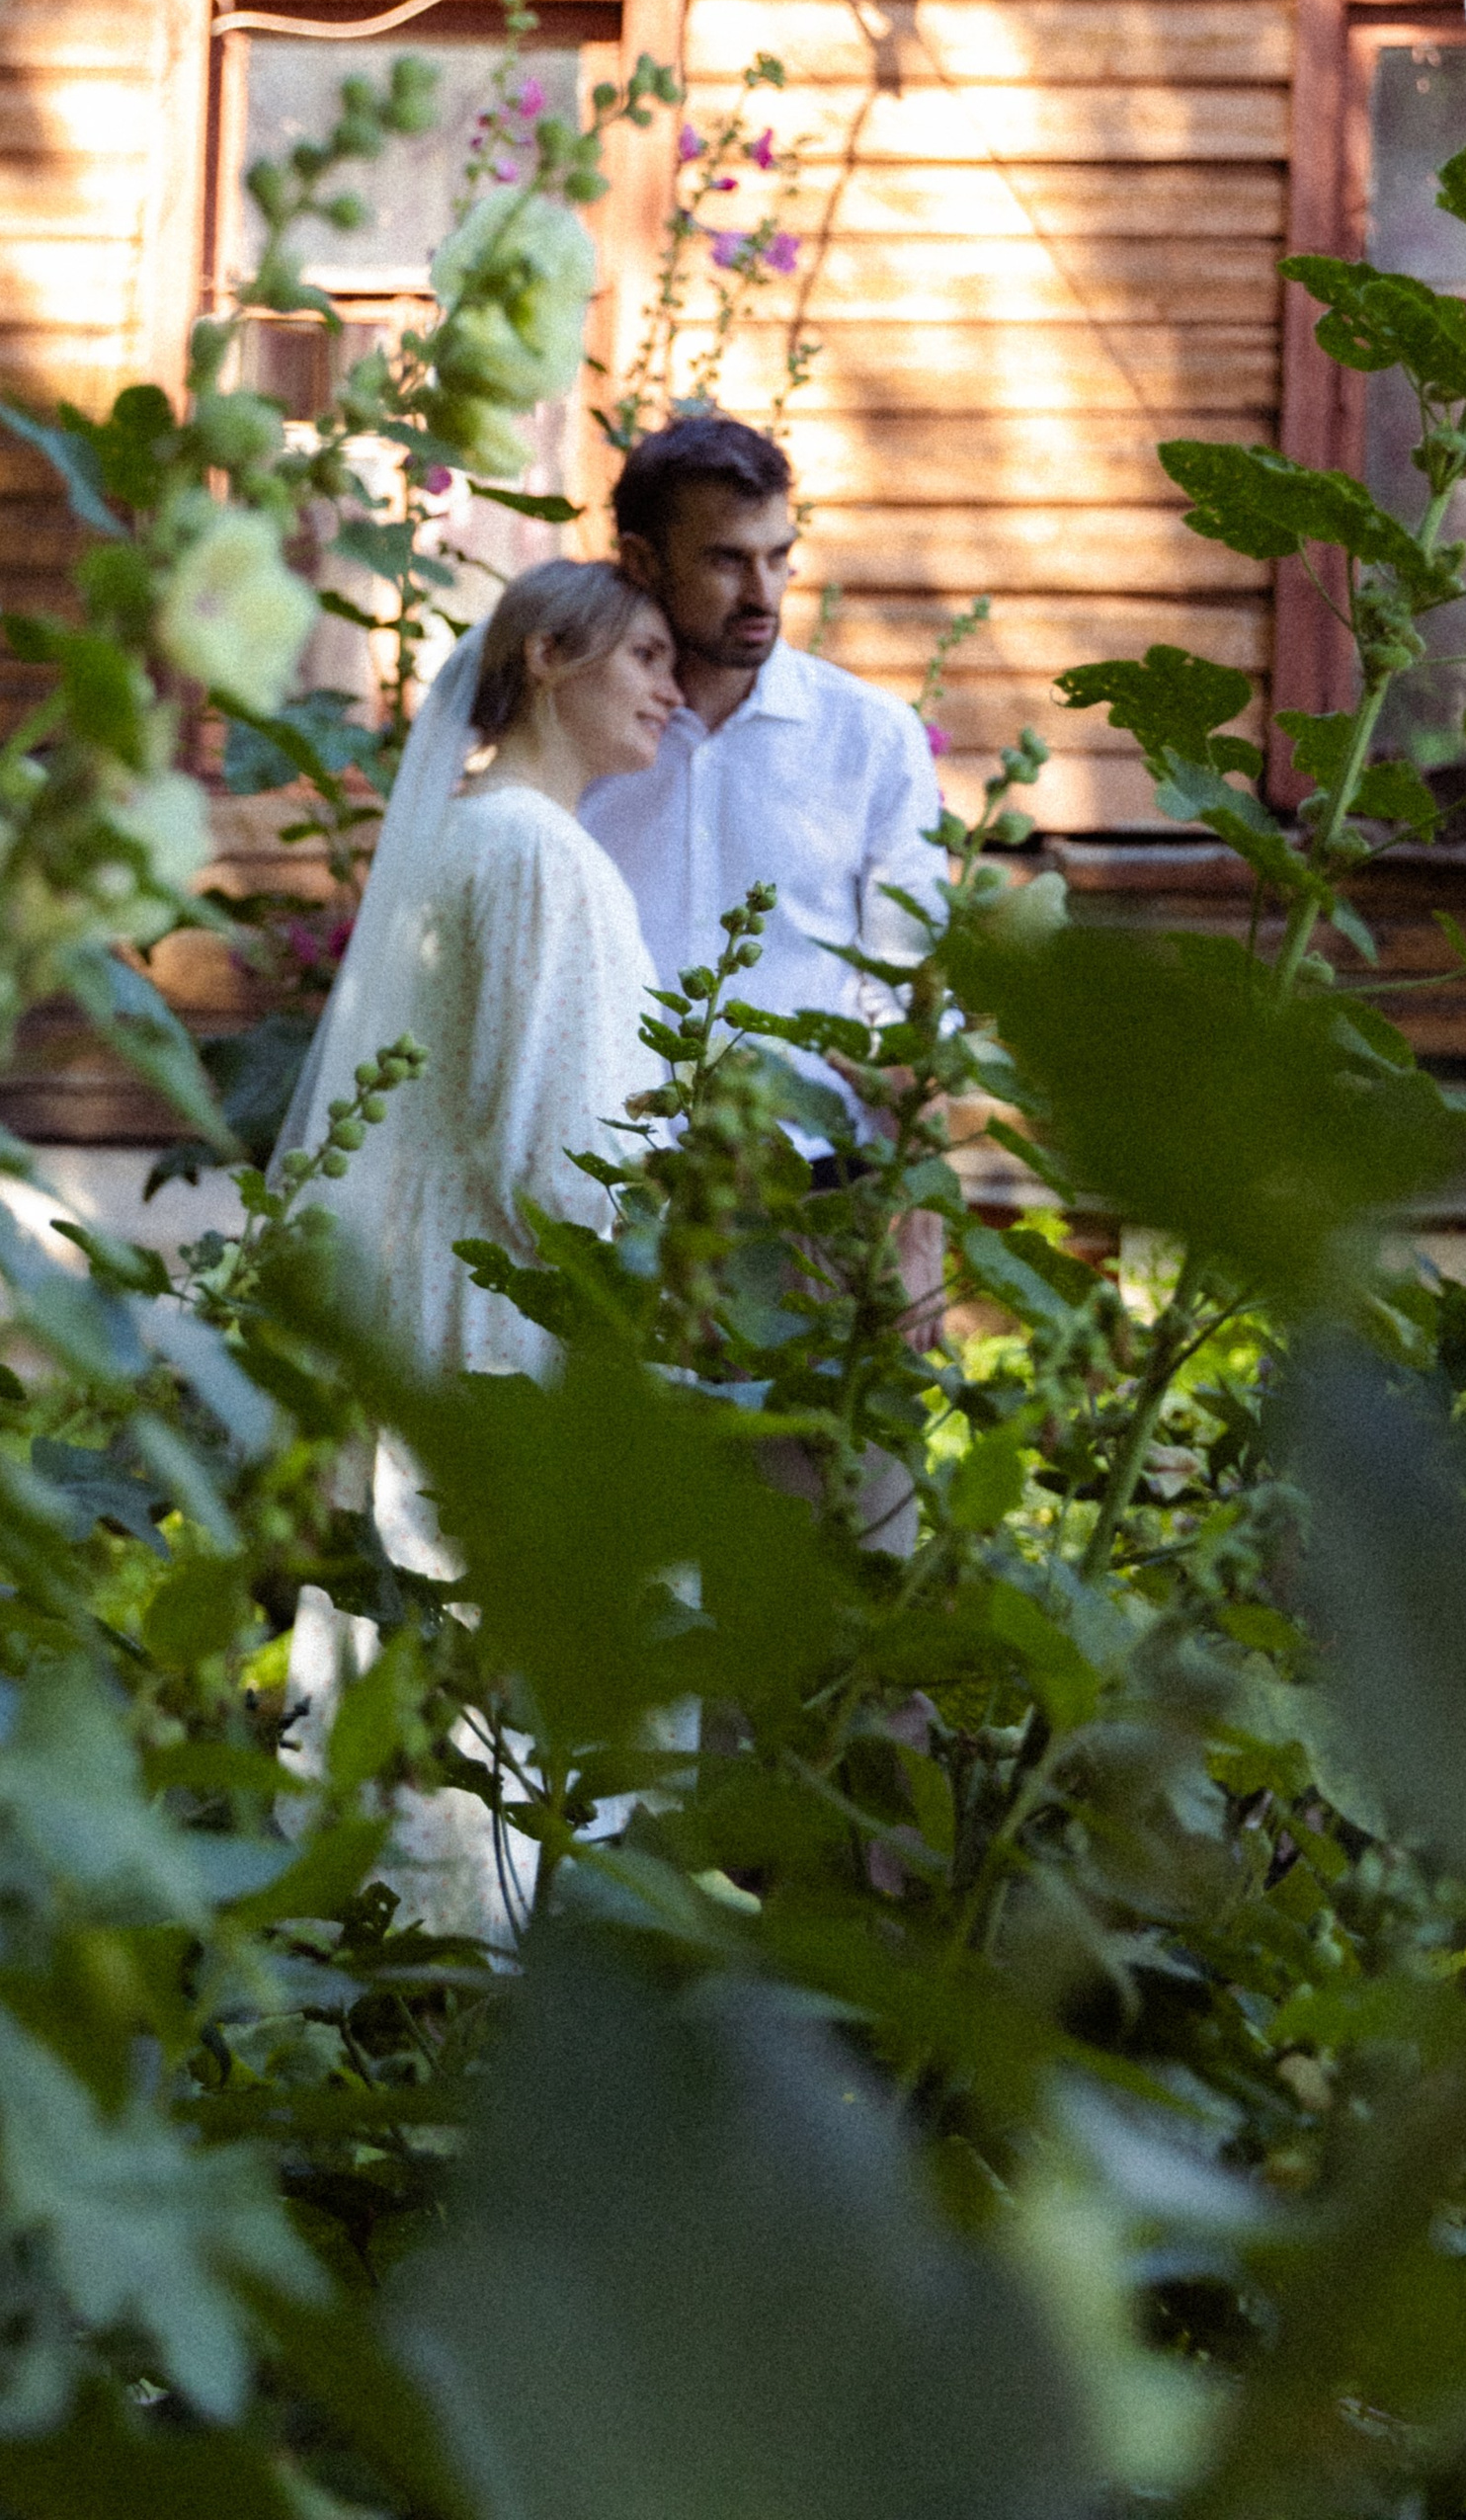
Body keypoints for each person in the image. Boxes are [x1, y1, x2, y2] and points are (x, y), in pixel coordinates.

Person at [278, 557, 683, 1940]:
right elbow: (553, 1154)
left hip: (427, 1287)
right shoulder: (537, 857)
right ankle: (478, 1977)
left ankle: (387, 1962)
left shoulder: (459, 838)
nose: (671, 694)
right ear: (555, 658)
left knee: (420, 1670)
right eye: (645, 660)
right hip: (510, 1317)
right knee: (499, 1675)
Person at [580, 413, 945, 1130]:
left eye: (779, 557)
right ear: (642, 561)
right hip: (610, 1186)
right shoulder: (578, 737)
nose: (763, 595)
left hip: (812, 1190)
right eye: (726, 561)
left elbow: (909, 983)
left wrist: (914, 1207)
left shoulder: (868, 737)